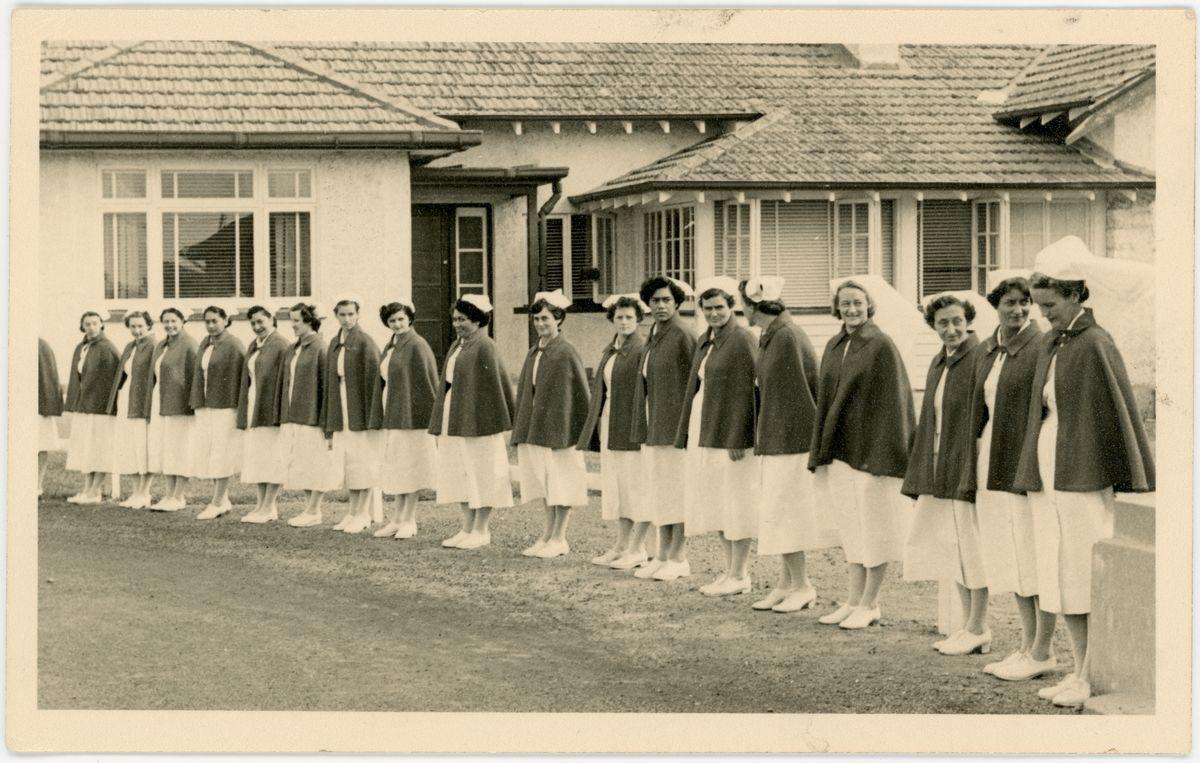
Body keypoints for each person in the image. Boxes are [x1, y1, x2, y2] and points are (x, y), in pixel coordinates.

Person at [1012, 237, 1155, 708]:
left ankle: (1092, 673)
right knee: (1061, 571)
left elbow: (1112, 415)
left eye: (1049, 305)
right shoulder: (1056, 341)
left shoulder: (1095, 343)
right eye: (1038, 305)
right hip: (1054, 465)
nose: (1042, 315)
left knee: (1083, 567)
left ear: (1075, 294)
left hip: (1083, 472)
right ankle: (1078, 670)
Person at [963, 274, 1056, 681]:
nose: (1018, 309)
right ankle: (1024, 645)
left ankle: (1042, 649)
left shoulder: (1040, 346)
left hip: (1027, 464)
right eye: (1010, 303)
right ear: (994, 306)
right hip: (993, 461)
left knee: (1034, 555)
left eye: (1024, 303)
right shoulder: (989, 349)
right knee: (1011, 557)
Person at [809, 280, 916, 630]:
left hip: (870, 453)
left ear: (869, 306)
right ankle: (853, 599)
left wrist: (885, 452)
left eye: (857, 303)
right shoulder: (836, 343)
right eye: (845, 304)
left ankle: (870, 602)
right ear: (836, 307)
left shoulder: (880, 344)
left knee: (874, 528)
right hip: (841, 450)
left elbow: (895, 403)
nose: (851, 309)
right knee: (851, 527)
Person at [902, 293, 988, 654]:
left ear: (968, 320)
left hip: (965, 462)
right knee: (950, 544)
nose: (951, 329)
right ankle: (966, 625)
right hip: (939, 462)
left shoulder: (979, 357)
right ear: (933, 326)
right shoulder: (941, 361)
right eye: (942, 323)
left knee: (971, 543)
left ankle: (979, 625)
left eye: (957, 321)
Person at [741, 276, 828, 613]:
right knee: (776, 512)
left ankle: (802, 584)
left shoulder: (787, 336)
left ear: (751, 307)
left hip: (791, 441)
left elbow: (799, 394)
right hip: (777, 437)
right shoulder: (772, 334)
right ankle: (786, 582)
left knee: (786, 512)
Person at [676, 276, 759, 597]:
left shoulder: (743, 339)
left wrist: (740, 435)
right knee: (717, 500)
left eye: (720, 308)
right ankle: (729, 571)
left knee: (736, 500)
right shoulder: (706, 339)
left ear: (732, 307)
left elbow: (751, 391)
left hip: (732, 435)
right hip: (705, 425)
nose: (713, 314)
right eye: (707, 308)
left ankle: (740, 573)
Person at [429, 294, 516, 550]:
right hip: (454, 414)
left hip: (479, 420)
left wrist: (493, 420)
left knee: (482, 472)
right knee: (459, 470)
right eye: (455, 319)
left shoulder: (485, 346)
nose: (457, 324)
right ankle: (466, 527)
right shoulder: (458, 345)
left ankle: (481, 529)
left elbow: (496, 386)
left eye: (463, 319)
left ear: (478, 320)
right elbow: (446, 383)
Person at [513, 289, 591, 559]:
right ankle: (547, 534)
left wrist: (573, 429)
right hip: (539, 426)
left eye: (546, 319)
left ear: (559, 319)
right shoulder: (535, 351)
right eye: (536, 320)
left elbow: (578, 393)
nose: (541, 324)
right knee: (546, 484)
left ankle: (560, 537)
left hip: (561, 430)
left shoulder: (566, 351)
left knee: (562, 483)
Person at [578, 294, 653, 570]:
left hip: (632, 427)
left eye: (629, 317)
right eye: (619, 317)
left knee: (637, 487)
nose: (624, 322)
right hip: (611, 422)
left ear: (638, 320)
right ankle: (621, 545)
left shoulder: (641, 348)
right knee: (619, 488)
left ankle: (638, 548)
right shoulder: (612, 349)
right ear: (612, 319)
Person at [631, 276, 697, 582]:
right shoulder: (655, 333)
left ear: (677, 303)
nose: (660, 306)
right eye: (655, 301)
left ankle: (678, 556)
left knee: (677, 491)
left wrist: (684, 427)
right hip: (654, 423)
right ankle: (661, 554)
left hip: (674, 428)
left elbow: (694, 383)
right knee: (660, 491)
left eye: (666, 300)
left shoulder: (683, 333)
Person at [375, 300, 438, 539]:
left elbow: (426, 383)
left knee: (411, 467)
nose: (397, 324)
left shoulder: (417, 345)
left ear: (410, 318)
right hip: (393, 412)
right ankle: (397, 518)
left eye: (401, 319)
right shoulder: (392, 345)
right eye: (392, 321)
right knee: (397, 467)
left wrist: (425, 416)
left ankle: (409, 520)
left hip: (412, 418)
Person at [323, 297, 385, 534]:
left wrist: (371, 416)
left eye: (351, 314)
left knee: (363, 460)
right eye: (342, 315)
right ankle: (353, 510)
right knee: (348, 460)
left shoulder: (365, 342)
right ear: (336, 316)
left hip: (359, 408)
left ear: (358, 315)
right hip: (341, 404)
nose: (347, 319)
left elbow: (373, 382)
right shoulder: (334, 343)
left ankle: (363, 513)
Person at [281, 303, 338, 527]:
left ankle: (315, 510)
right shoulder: (294, 348)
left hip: (313, 416)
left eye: (296, 320)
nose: (292, 325)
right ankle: (309, 508)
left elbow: (326, 387)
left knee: (316, 464)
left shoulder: (321, 348)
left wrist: (326, 423)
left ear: (308, 321)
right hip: (295, 415)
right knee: (302, 463)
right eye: (291, 320)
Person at [191, 306, 246, 520]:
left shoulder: (234, 344)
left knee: (222, 452)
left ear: (226, 320)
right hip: (207, 404)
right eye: (207, 321)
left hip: (225, 406)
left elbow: (241, 377)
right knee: (210, 451)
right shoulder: (205, 343)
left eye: (215, 321)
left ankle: (216, 501)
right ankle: (223, 500)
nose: (211, 325)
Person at [237, 305, 290, 523]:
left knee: (272, 457)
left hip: (270, 408)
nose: (257, 326)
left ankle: (270, 506)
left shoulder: (280, 344)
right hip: (254, 404)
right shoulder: (255, 345)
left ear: (271, 320)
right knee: (258, 457)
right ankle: (260, 505)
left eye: (261, 321)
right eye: (253, 323)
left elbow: (282, 381)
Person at [64, 311, 120, 504]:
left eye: (95, 323)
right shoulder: (82, 347)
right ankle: (87, 489)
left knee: (100, 448)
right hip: (85, 404)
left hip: (101, 407)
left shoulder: (107, 348)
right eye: (87, 324)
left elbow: (116, 378)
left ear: (102, 324)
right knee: (87, 447)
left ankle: (96, 491)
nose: (91, 327)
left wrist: (106, 403)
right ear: (82, 326)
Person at [147, 307, 197, 511]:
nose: (170, 325)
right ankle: (168, 494)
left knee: (180, 449)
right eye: (166, 321)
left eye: (174, 321)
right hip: (161, 401)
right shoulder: (161, 345)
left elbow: (194, 378)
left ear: (183, 321)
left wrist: (191, 404)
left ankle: (179, 496)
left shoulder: (190, 345)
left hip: (181, 404)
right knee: (166, 449)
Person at [109, 311, 157, 508]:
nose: (137, 330)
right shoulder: (130, 346)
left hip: (142, 401)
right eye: (133, 326)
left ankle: (145, 492)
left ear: (148, 326)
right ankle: (136, 492)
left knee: (143, 446)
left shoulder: (154, 346)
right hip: (127, 399)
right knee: (129, 446)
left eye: (140, 326)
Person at [39, 337, 64, 497]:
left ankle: (36, 485)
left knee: (39, 446)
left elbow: (49, 376)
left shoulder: (41, 345)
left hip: (37, 407)